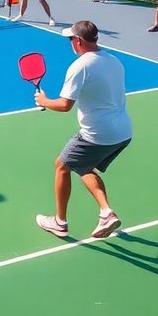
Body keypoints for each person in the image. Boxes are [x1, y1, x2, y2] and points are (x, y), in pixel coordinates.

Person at [34, 20, 131, 239]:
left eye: (71, 39)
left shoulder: (80, 66)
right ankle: (106, 212)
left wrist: (44, 100)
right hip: (123, 132)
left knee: (61, 165)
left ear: (78, 41)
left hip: (97, 134)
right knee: (83, 166)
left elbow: (64, 105)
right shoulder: (114, 61)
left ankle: (59, 223)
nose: (70, 43)